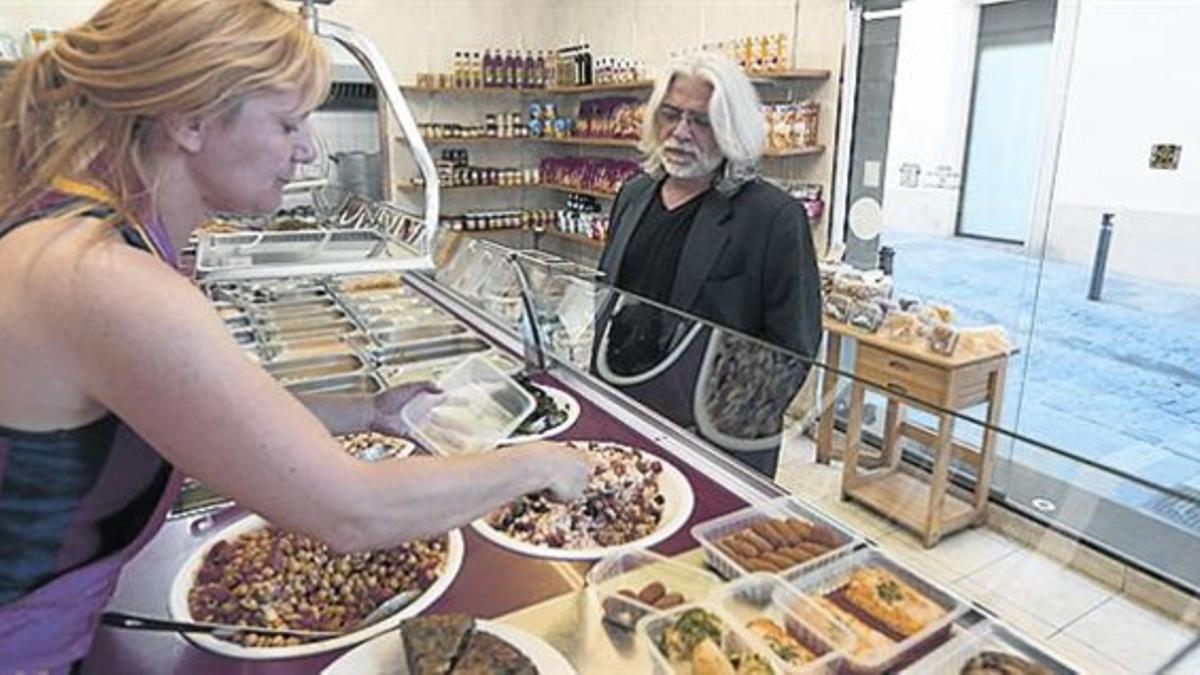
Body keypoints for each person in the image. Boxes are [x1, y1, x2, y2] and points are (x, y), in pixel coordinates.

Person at [0, 1, 590, 671]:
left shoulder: (81, 232)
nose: (309, 148)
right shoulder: (102, 275)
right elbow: (350, 511)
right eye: (288, 122)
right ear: (189, 120)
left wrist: (366, 411)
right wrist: (541, 462)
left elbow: (208, 418)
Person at [594, 51, 822, 478]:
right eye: (671, 115)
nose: (680, 133)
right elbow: (608, 299)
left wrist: (716, 428)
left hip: (712, 441)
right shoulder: (634, 194)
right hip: (625, 412)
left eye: (701, 122)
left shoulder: (773, 218)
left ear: (732, 130)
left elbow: (793, 347)